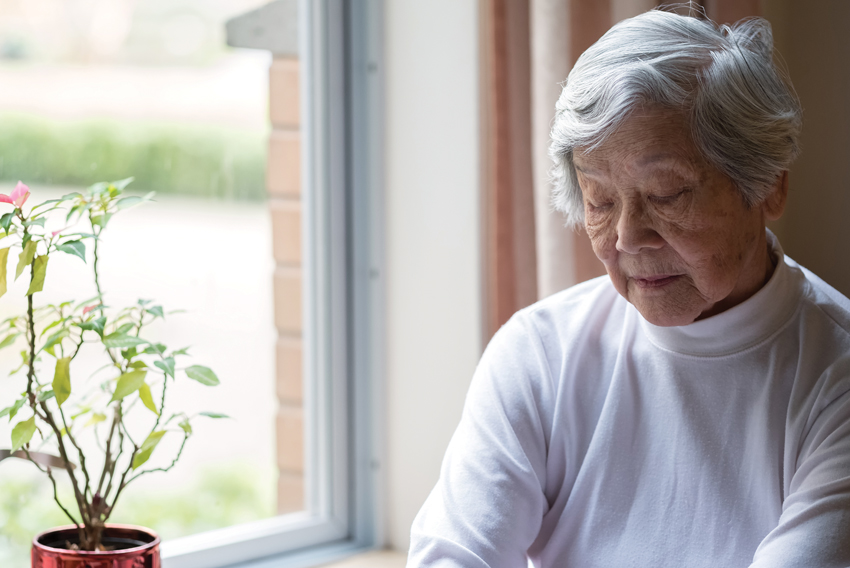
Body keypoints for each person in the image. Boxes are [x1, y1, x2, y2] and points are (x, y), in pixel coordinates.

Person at [407, 9, 850, 568]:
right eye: (600, 201)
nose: (628, 237)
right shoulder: (541, 353)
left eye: (667, 195)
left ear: (768, 187)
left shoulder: (835, 377)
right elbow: (454, 554)